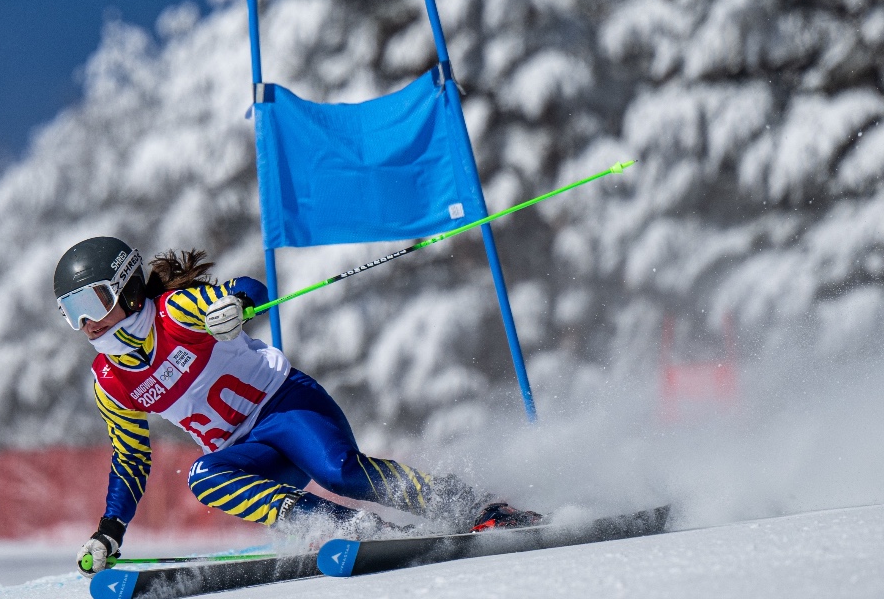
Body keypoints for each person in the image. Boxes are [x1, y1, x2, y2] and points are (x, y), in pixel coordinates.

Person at [54, 236, 542, 575]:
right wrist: (110, 531)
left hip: (287, 407)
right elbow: (132, 458)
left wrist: (233, 306)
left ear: (128, 289)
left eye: (93, 304)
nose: (87, 324)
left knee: (340, 472)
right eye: (72, 313)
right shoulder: (110, 381)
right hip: (251, 453)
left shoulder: (175, 312)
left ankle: (475, 506)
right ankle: (348, 528)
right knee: (203, 476)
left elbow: (249, 290)